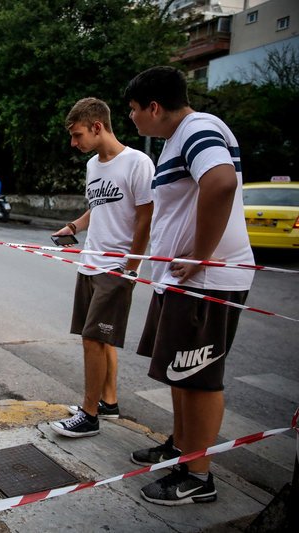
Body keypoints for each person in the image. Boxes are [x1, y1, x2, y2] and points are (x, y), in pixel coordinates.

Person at [124, 66, 254, 505]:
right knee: (180, 371)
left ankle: (198, 476)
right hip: (182, 281)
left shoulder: (198, 128)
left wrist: (200, 255)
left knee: (199, 377)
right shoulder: (179, 140)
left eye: (134, 110)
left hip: (208, 281)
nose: (133, 119)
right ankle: (181, 448)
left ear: (154, 107)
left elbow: (220, 183)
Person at [49, 97, 154, 439]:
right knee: (100, 339)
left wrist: (131, 266)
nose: (73, 143)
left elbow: (145, 217)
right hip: (90, 262)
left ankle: (89, 414)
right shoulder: (94, 166)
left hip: (116, 266)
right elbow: (99, 207)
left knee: (93, 340)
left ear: (97, 127)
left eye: (77, 135)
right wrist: (74, 228)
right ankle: (108, 402)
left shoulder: (137, 163)